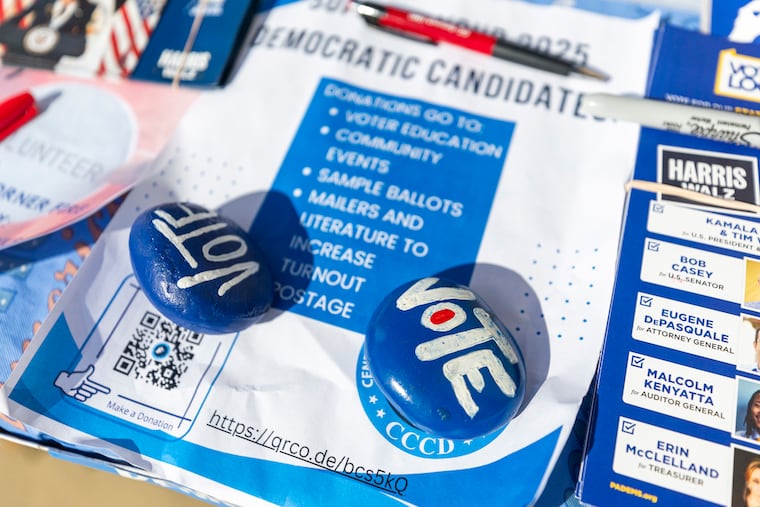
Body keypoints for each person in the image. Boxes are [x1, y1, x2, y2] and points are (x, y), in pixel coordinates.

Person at [0, 0, 101, 69]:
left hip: (52, 62)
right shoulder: (45, 1)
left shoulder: (87, 9)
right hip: (21, 54)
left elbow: (83, 36)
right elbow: (16, 19)